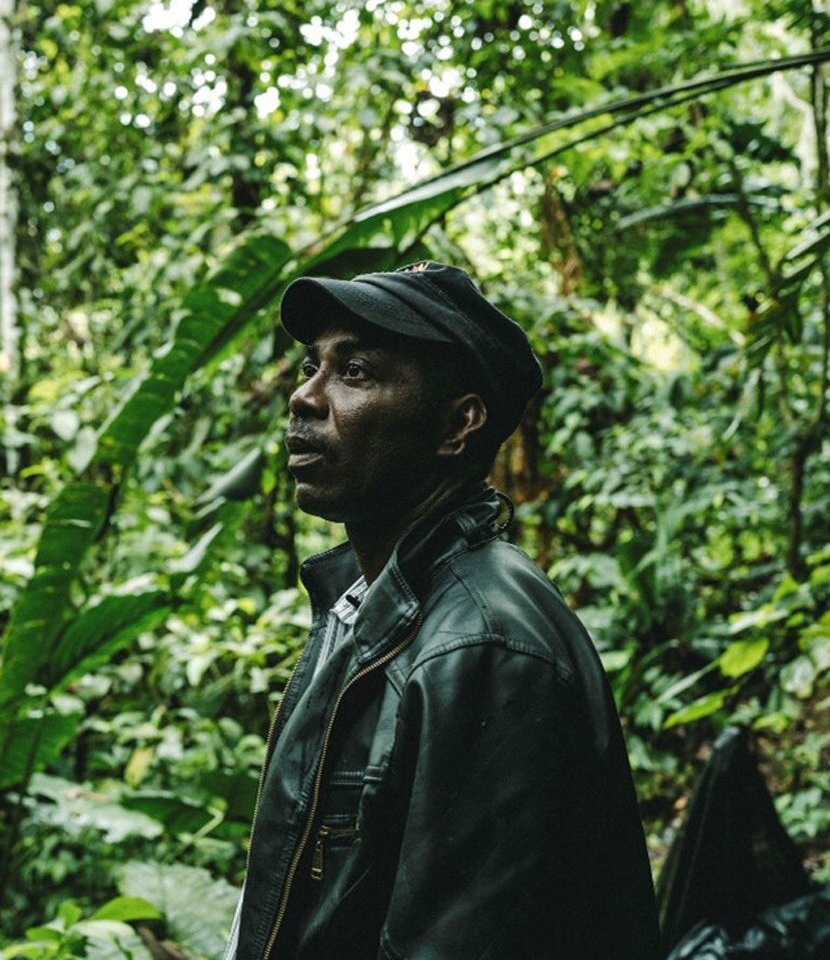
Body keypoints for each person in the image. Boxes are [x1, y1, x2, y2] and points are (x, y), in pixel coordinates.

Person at [224, 261, 660, 960]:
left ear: (457, 424)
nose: (304, 396)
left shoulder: (482, 646)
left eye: (355, 372)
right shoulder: (368, 607)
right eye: (312, 365)